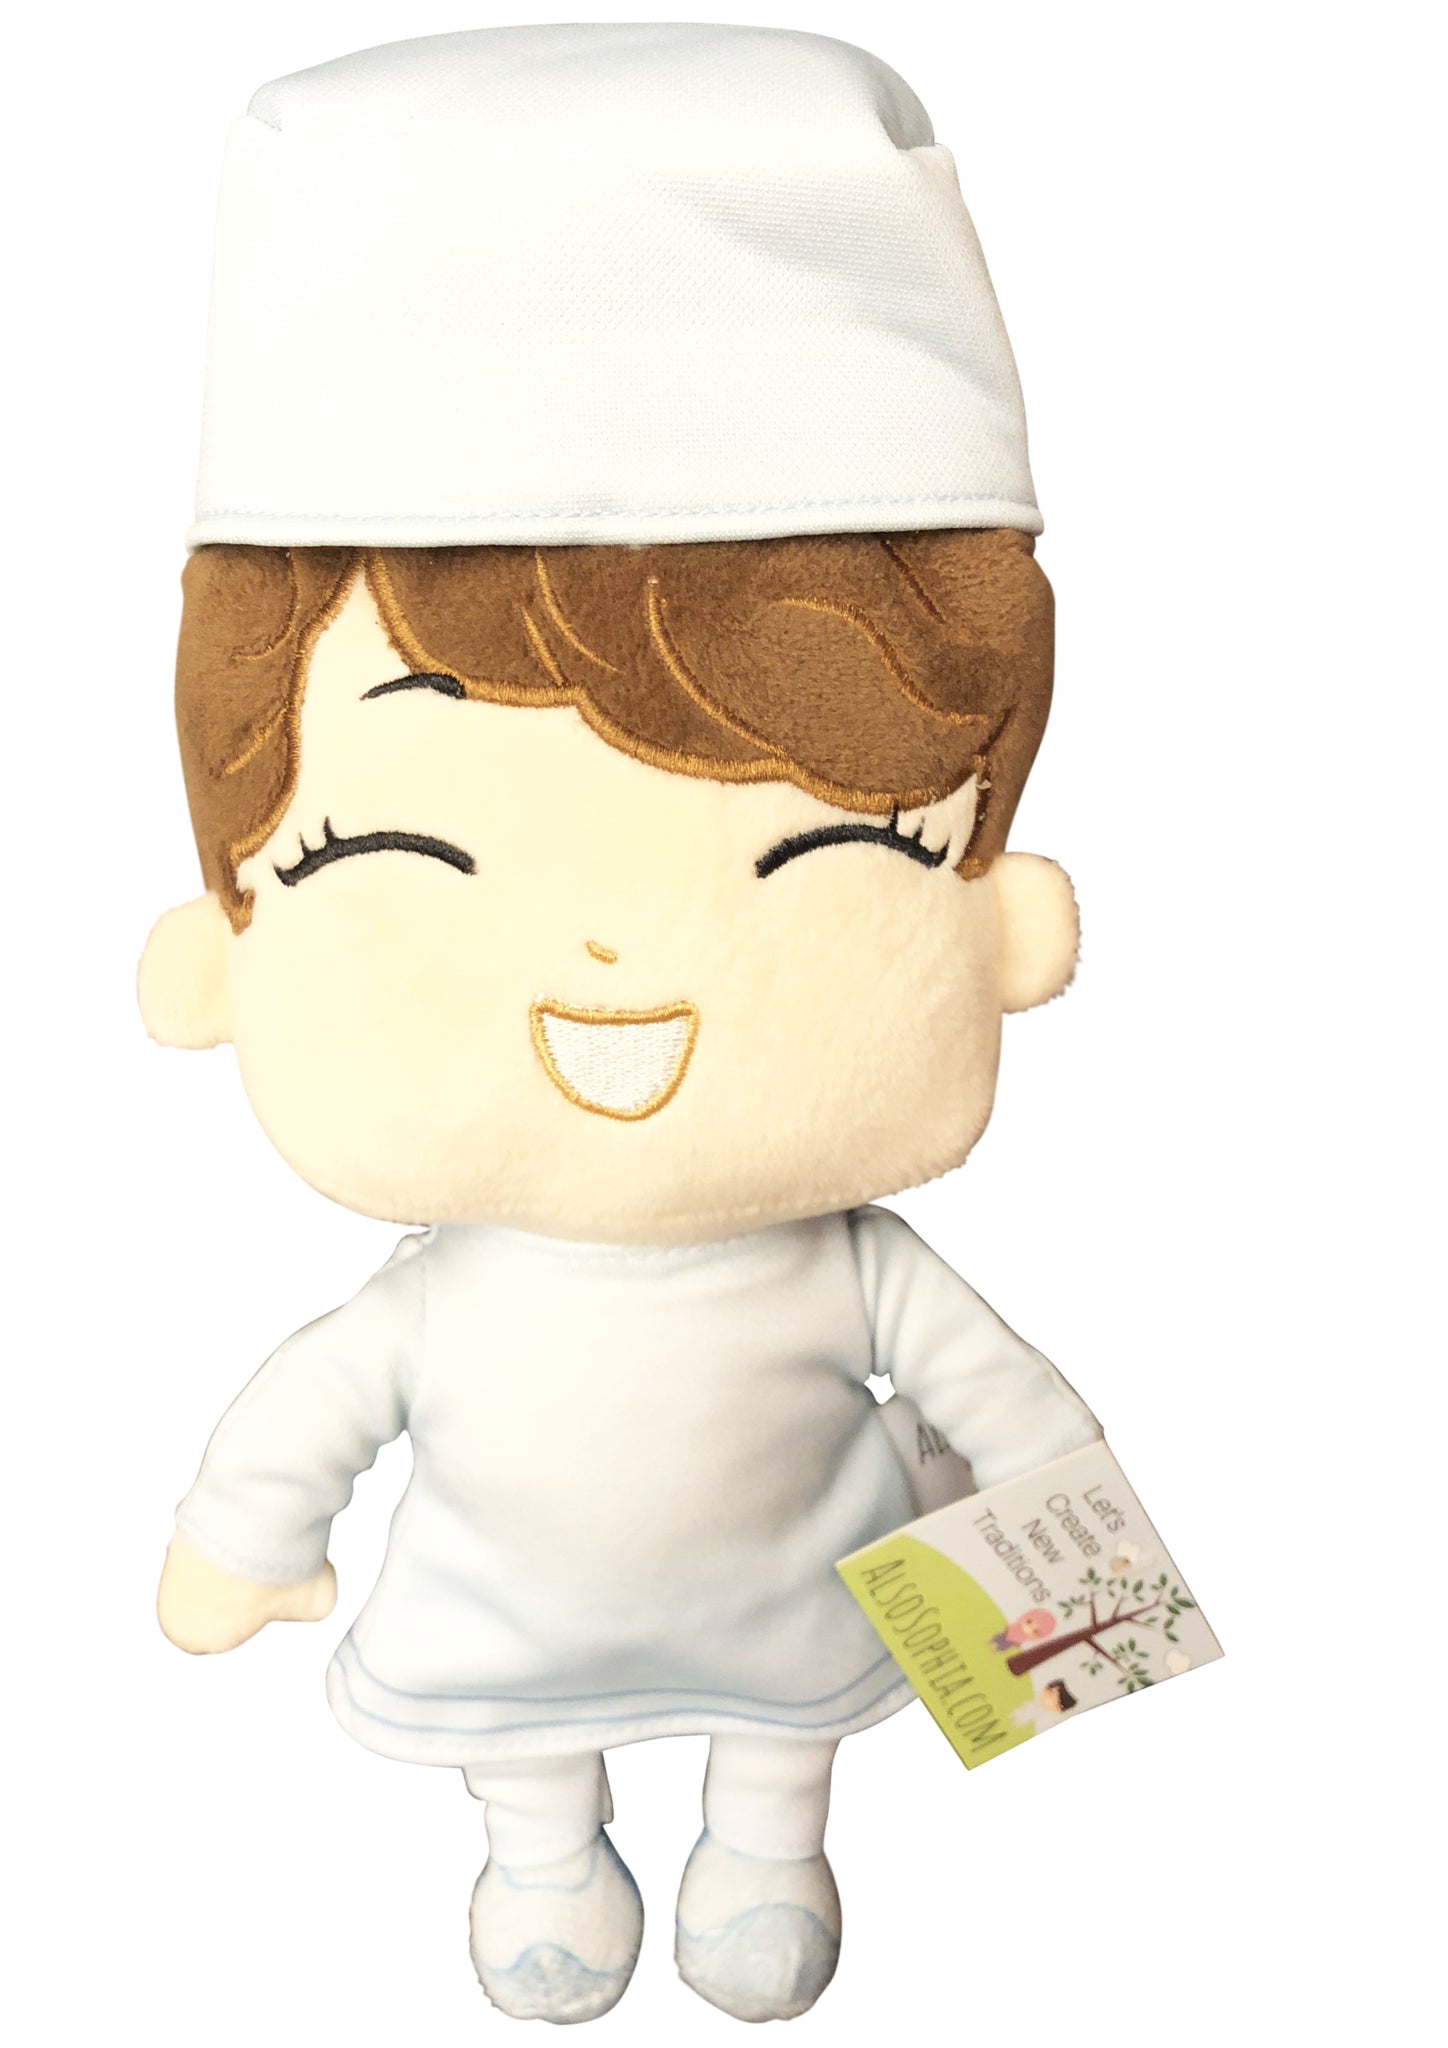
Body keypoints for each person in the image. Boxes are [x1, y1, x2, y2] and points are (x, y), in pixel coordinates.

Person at [143, 25, 1101, 2026]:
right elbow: (314, 1413)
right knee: (521, 1752)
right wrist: (243, 1535)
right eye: (399, 851)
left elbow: (1011, 1412)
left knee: (789, 1740)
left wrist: (1056, 1625)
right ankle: (542, 1852)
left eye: (814, 854)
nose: (611, 959)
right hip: (505, 1637)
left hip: (811, 1621)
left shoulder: (853, 1269)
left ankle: (765, 1849)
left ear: (1001, 925)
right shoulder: (449, 1302)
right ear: (220, 955)